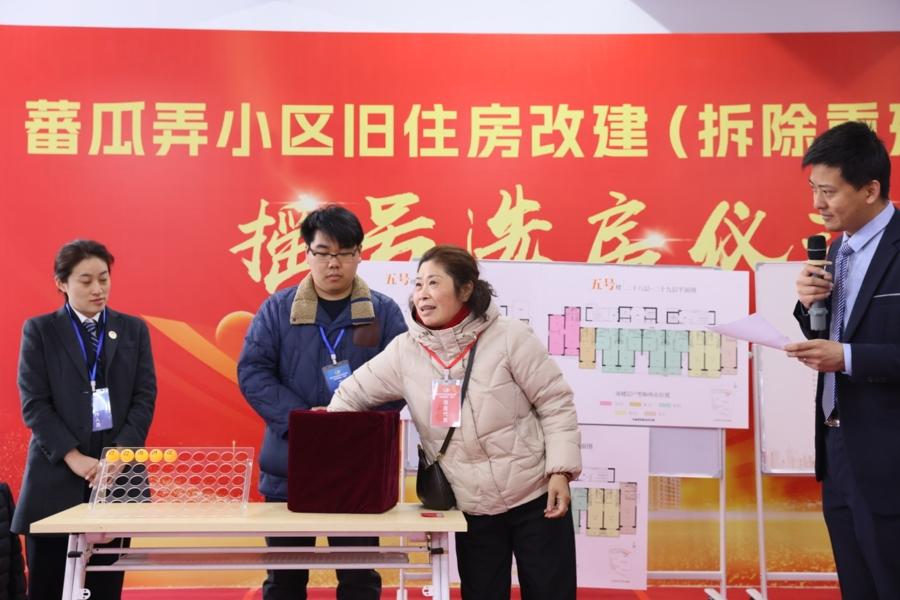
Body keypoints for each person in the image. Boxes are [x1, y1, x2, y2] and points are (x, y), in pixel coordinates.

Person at [329, 245, 581, 600]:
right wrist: (329, 447)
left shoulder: (510, 337)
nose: (422, 294)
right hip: (471, 509)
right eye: (418, 284)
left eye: (434, 283)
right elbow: (349, 395)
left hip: (534, 497)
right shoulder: (404, 352)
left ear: (465, 290)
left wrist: (560, 472)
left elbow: (555, 402)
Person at [238, 204, 407, 600]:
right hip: (290, 465)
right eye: (324, 252)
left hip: (357, 467)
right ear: (307, 253)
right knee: (285, 579)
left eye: (345, 253)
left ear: (360, 254)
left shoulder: (383, 312)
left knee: (360, 579)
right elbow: (253, 373)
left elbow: (401, 377)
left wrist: (348, 424)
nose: (335, 263)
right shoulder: (277, 310)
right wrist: (303, 423)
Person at [785, 121, 899, 598]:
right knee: (857, 585)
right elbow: (832, 331)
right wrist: (806, 303)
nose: (817, 203)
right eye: (814, 189)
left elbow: (846, 348)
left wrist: (847, 357)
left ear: (870, 189)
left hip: (889, 455)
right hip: (837, 447)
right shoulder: (836, 250)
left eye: (828, 191)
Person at [12, 239, 157, 600]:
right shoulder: (40, 331)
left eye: (104, 279)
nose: (98, 289)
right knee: (48, 585)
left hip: (117, 479)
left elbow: (144, 398)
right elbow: (35, 404)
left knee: (105, 586)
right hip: (55, 478)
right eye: (86, 280)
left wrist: (121, 454)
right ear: (62, 283)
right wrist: (74, 457)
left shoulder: (133, 329)